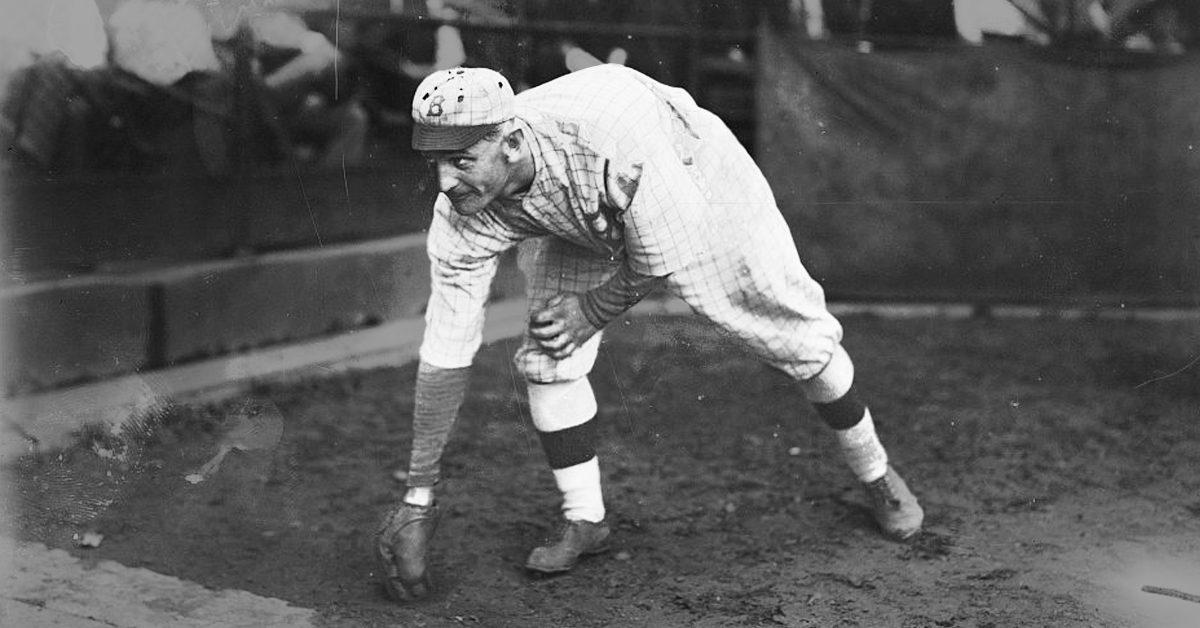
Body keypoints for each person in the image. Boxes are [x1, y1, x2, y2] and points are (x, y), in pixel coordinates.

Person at [375, 64, 925, 601]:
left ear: (512, 142)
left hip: (695, 181)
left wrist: (591, 310)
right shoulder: (464, 206)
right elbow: (446, 345)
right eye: (435, 162)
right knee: (548, 352)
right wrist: (419, 495)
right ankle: (584, 519)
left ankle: (877, 475)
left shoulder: (611, 139)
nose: (444, 182)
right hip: (572, 214)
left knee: (796, 338)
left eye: (461, 160)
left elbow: (661, 254)